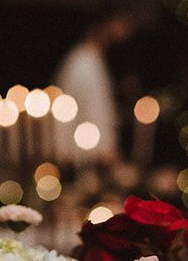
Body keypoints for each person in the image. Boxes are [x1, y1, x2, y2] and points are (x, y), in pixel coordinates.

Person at [54, 9, 136, 165]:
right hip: (83, 163)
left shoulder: (91, 60)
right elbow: (94, 116)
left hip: (87, 159)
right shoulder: (84, 64)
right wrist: (113, 161)